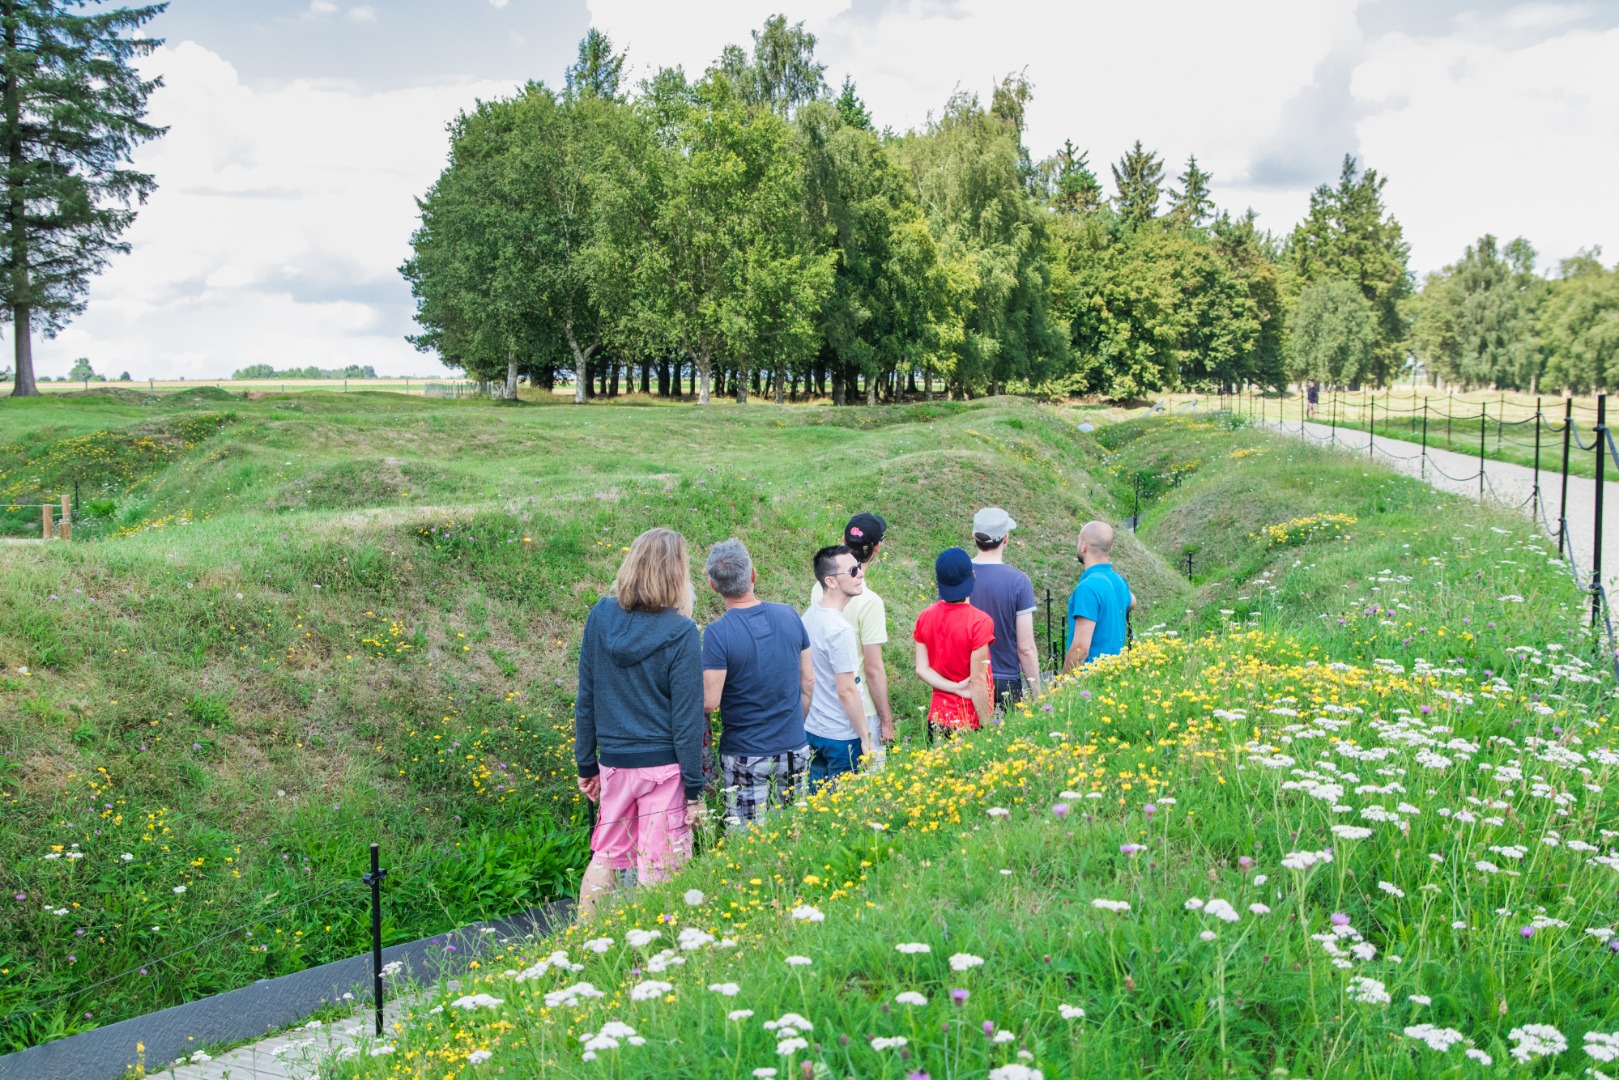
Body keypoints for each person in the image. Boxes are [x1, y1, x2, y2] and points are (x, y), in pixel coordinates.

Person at [573, 527, 705, 920]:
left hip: (615, 762)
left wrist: (586, 764)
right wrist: (695, 790)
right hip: (664, 769)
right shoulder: (682, 632)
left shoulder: (601, 614)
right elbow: (687, 718)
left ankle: (583, 940)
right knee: (659, 865)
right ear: (676, 573)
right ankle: (650, 949)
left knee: (606, 854)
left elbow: (587, 695)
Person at [701, 538, 813, 829]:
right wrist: (792, 727)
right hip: (794, 748)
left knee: (748, 846)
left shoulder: (717, 634)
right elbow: (809, 682)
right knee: (794, 833)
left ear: (714, 586)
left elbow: (709, 702)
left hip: (745, 755)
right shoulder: (789, 614)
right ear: (753, 574)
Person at [808, 512, 894, 746]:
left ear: (843, 541)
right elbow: (873, 669)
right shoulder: (870, 601)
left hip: (823, 706)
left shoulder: (821, 587)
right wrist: (886, 721)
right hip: (859, 708)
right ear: (877, 548)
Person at [802, 545, 876, 790]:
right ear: (831, 581)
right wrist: (865, 737)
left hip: (813, 729)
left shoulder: (809, 616)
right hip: (841, 737)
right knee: (842, 812)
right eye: (853, 570)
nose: (860, 573)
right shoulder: (840, 629)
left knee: (817, 807)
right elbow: (846, 690)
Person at [913, 548, 994, 737]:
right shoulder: (980, 622)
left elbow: (921, 670)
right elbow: (977, 679)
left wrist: (953, 687)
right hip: (969, 718)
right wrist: (987, 726)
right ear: (972, 576)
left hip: (937, 717)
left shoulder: (925, 616)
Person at [967, 507, 1041, 709]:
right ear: (1006, 538)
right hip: (1005, 681)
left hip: (965, 680)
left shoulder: (958, 577)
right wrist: (1038, 697)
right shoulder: (1019, 581)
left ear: (974, 536)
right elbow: (1026, 648)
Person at [1063, 521, 1135, 671]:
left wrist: (1062, 684)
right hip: (1114, 676)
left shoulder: (1088, 588)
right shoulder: (1119, 582)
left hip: (1089, 682)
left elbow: (1080, 649)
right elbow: (1132, 602)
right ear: (1110, 548)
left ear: (1083, 546)